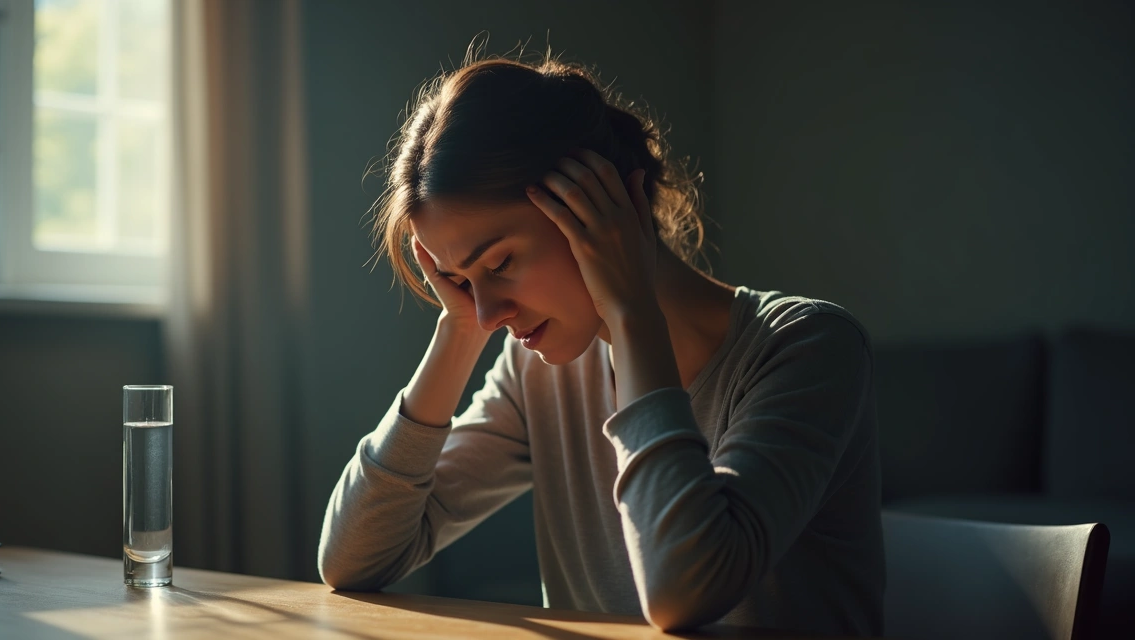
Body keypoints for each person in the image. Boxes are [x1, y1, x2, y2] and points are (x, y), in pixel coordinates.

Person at [318, 47, 885, 635]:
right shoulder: (535, 369)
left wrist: (633, 312)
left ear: (601, 207)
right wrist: (457, 330)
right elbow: (352, 560)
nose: (489, 312)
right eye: (460, 280)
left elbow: (682, 593)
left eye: (502, 261)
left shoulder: (808, 348)